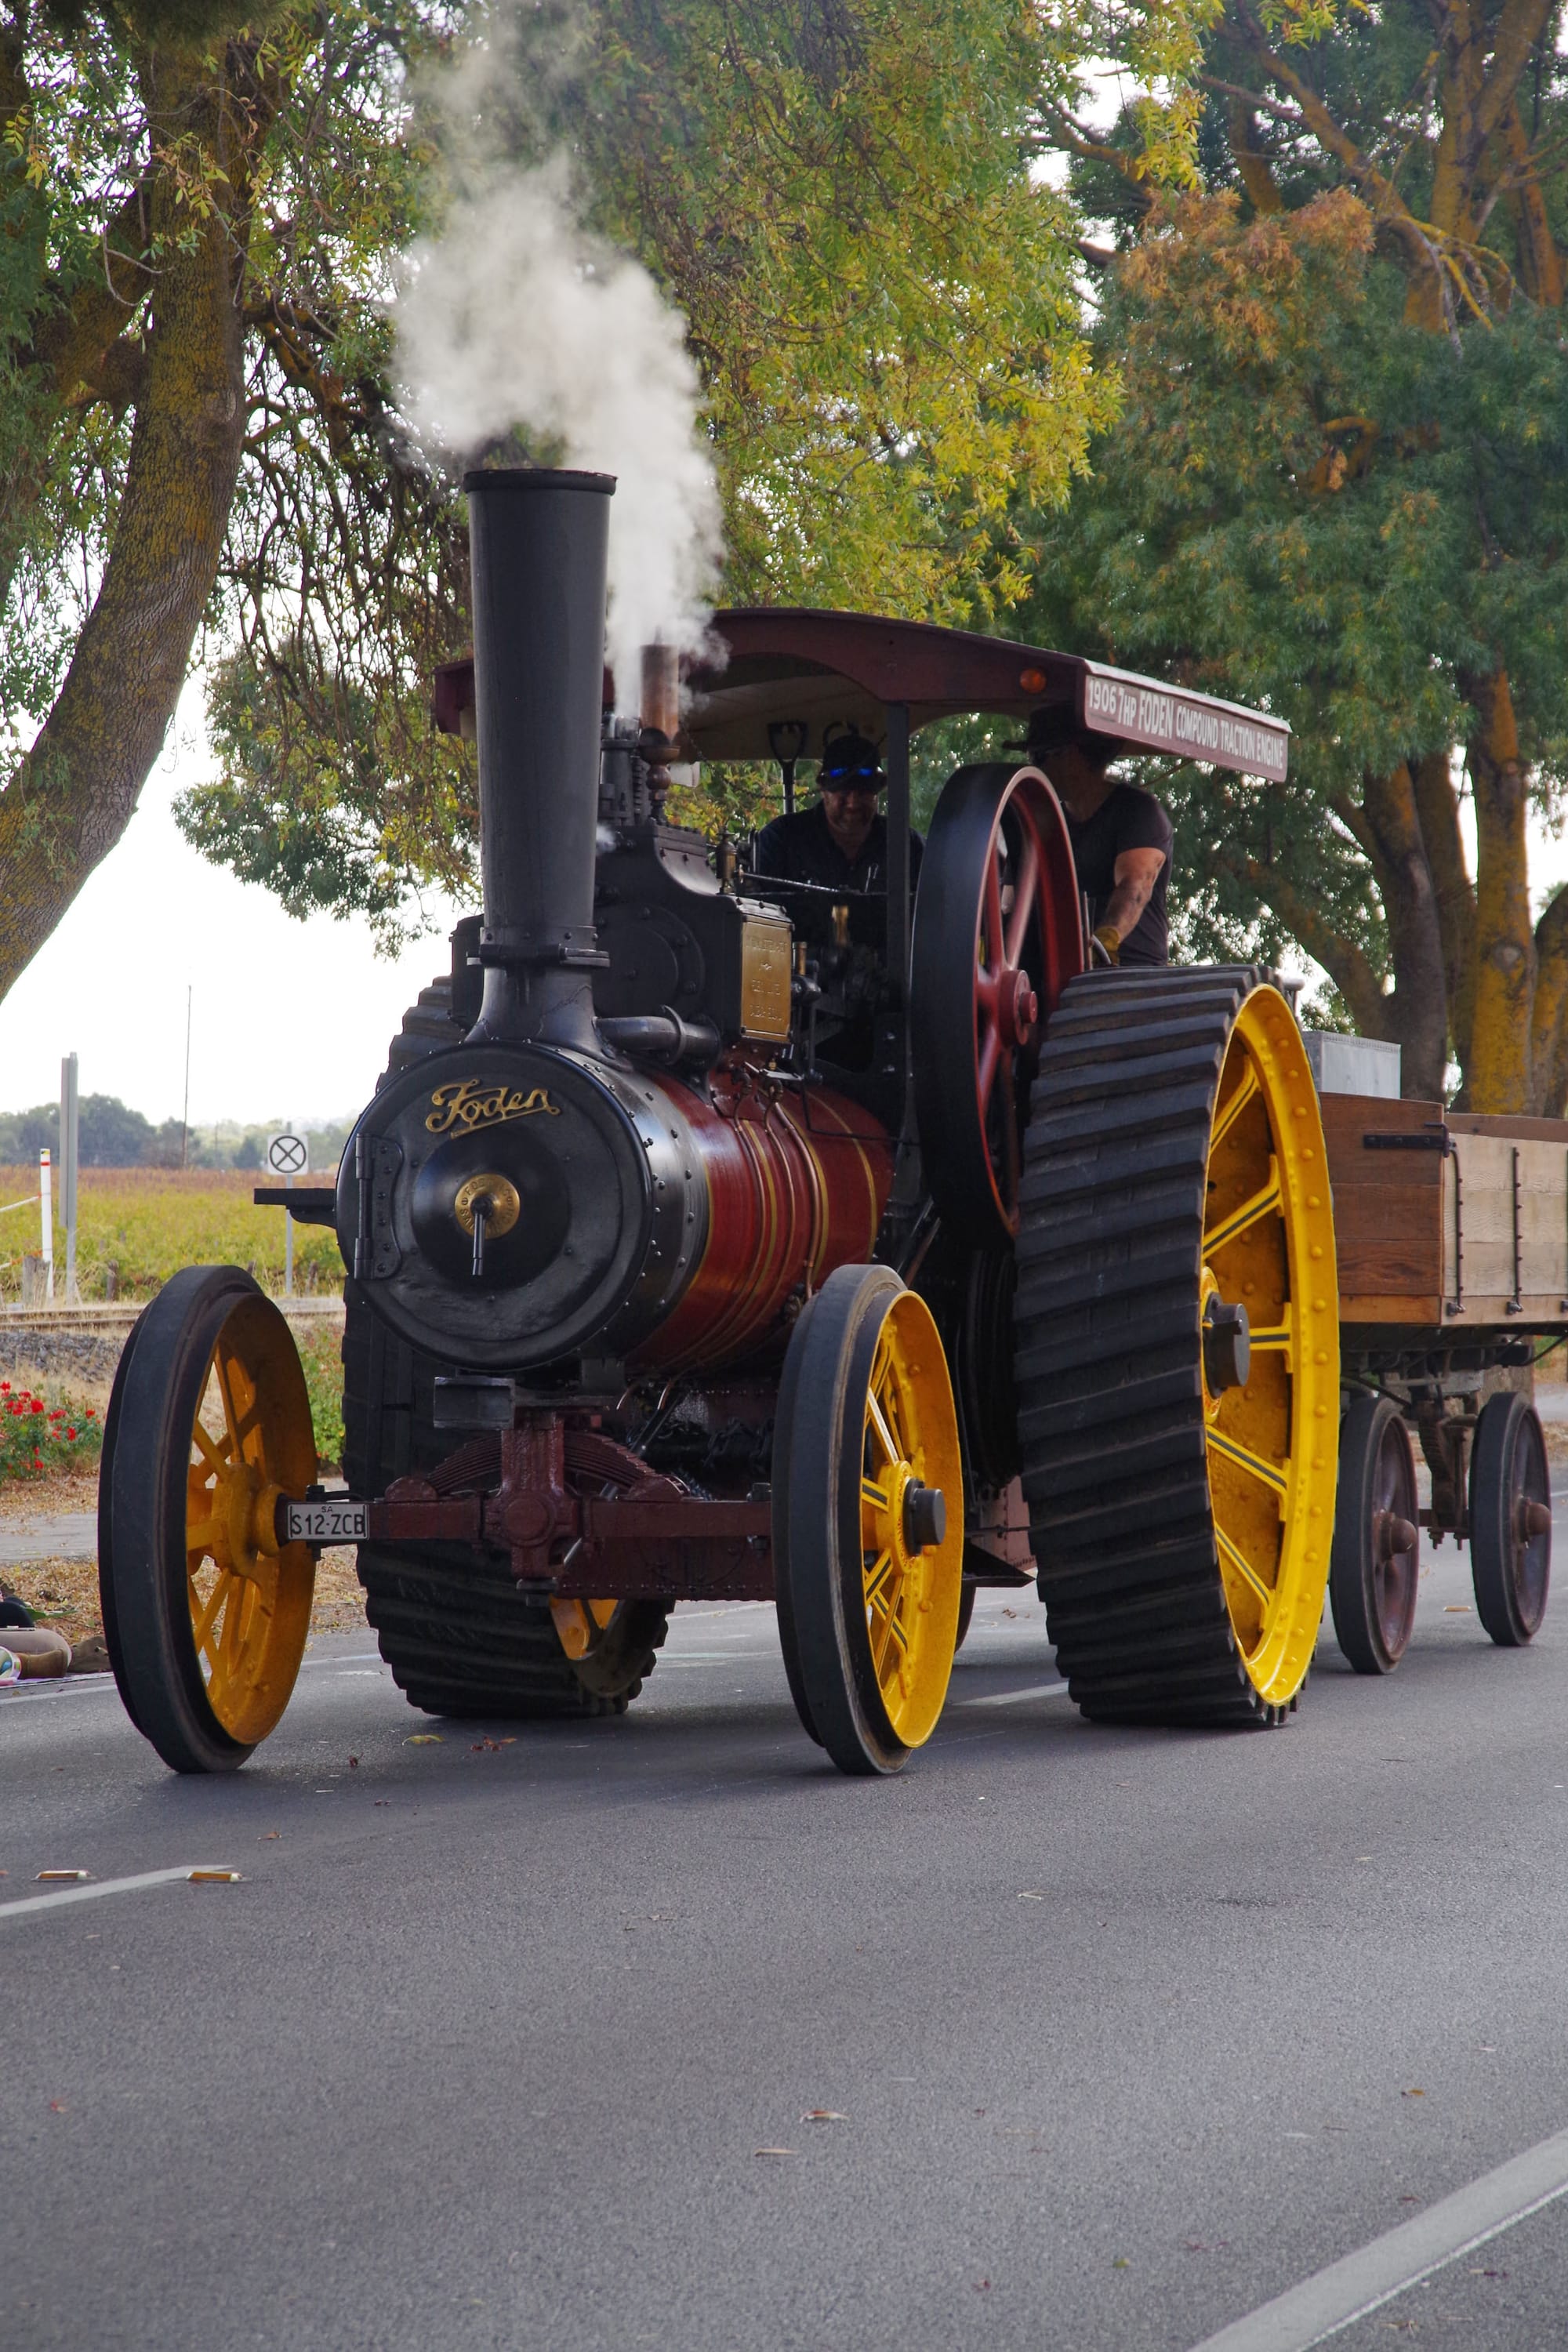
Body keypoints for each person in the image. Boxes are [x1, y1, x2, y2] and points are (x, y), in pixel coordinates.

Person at [1029, 718, 1171, 967]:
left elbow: (1136, 884)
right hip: (1062, 972)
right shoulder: (1044, 822)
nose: (1034, 767)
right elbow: (1011, 893)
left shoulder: (1137, 810)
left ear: (1074, 755)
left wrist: (1105, 941)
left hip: (1131, 971)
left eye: (1041, 757)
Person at [752, 724, 924, 893]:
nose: (853, 803)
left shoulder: (908, 846)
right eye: (843, 792)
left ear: (878, 791)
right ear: (823, 790)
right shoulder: (780, 841)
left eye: (864, 792)